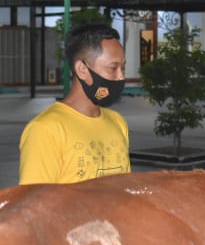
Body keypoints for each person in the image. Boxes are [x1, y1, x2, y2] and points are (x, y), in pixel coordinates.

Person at [19, 24, 129, 184]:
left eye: (123, 68)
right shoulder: (45, 130)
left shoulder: (118, 123)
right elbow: (35, 203)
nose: (120, 77)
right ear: (82, 69)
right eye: (113, 68)